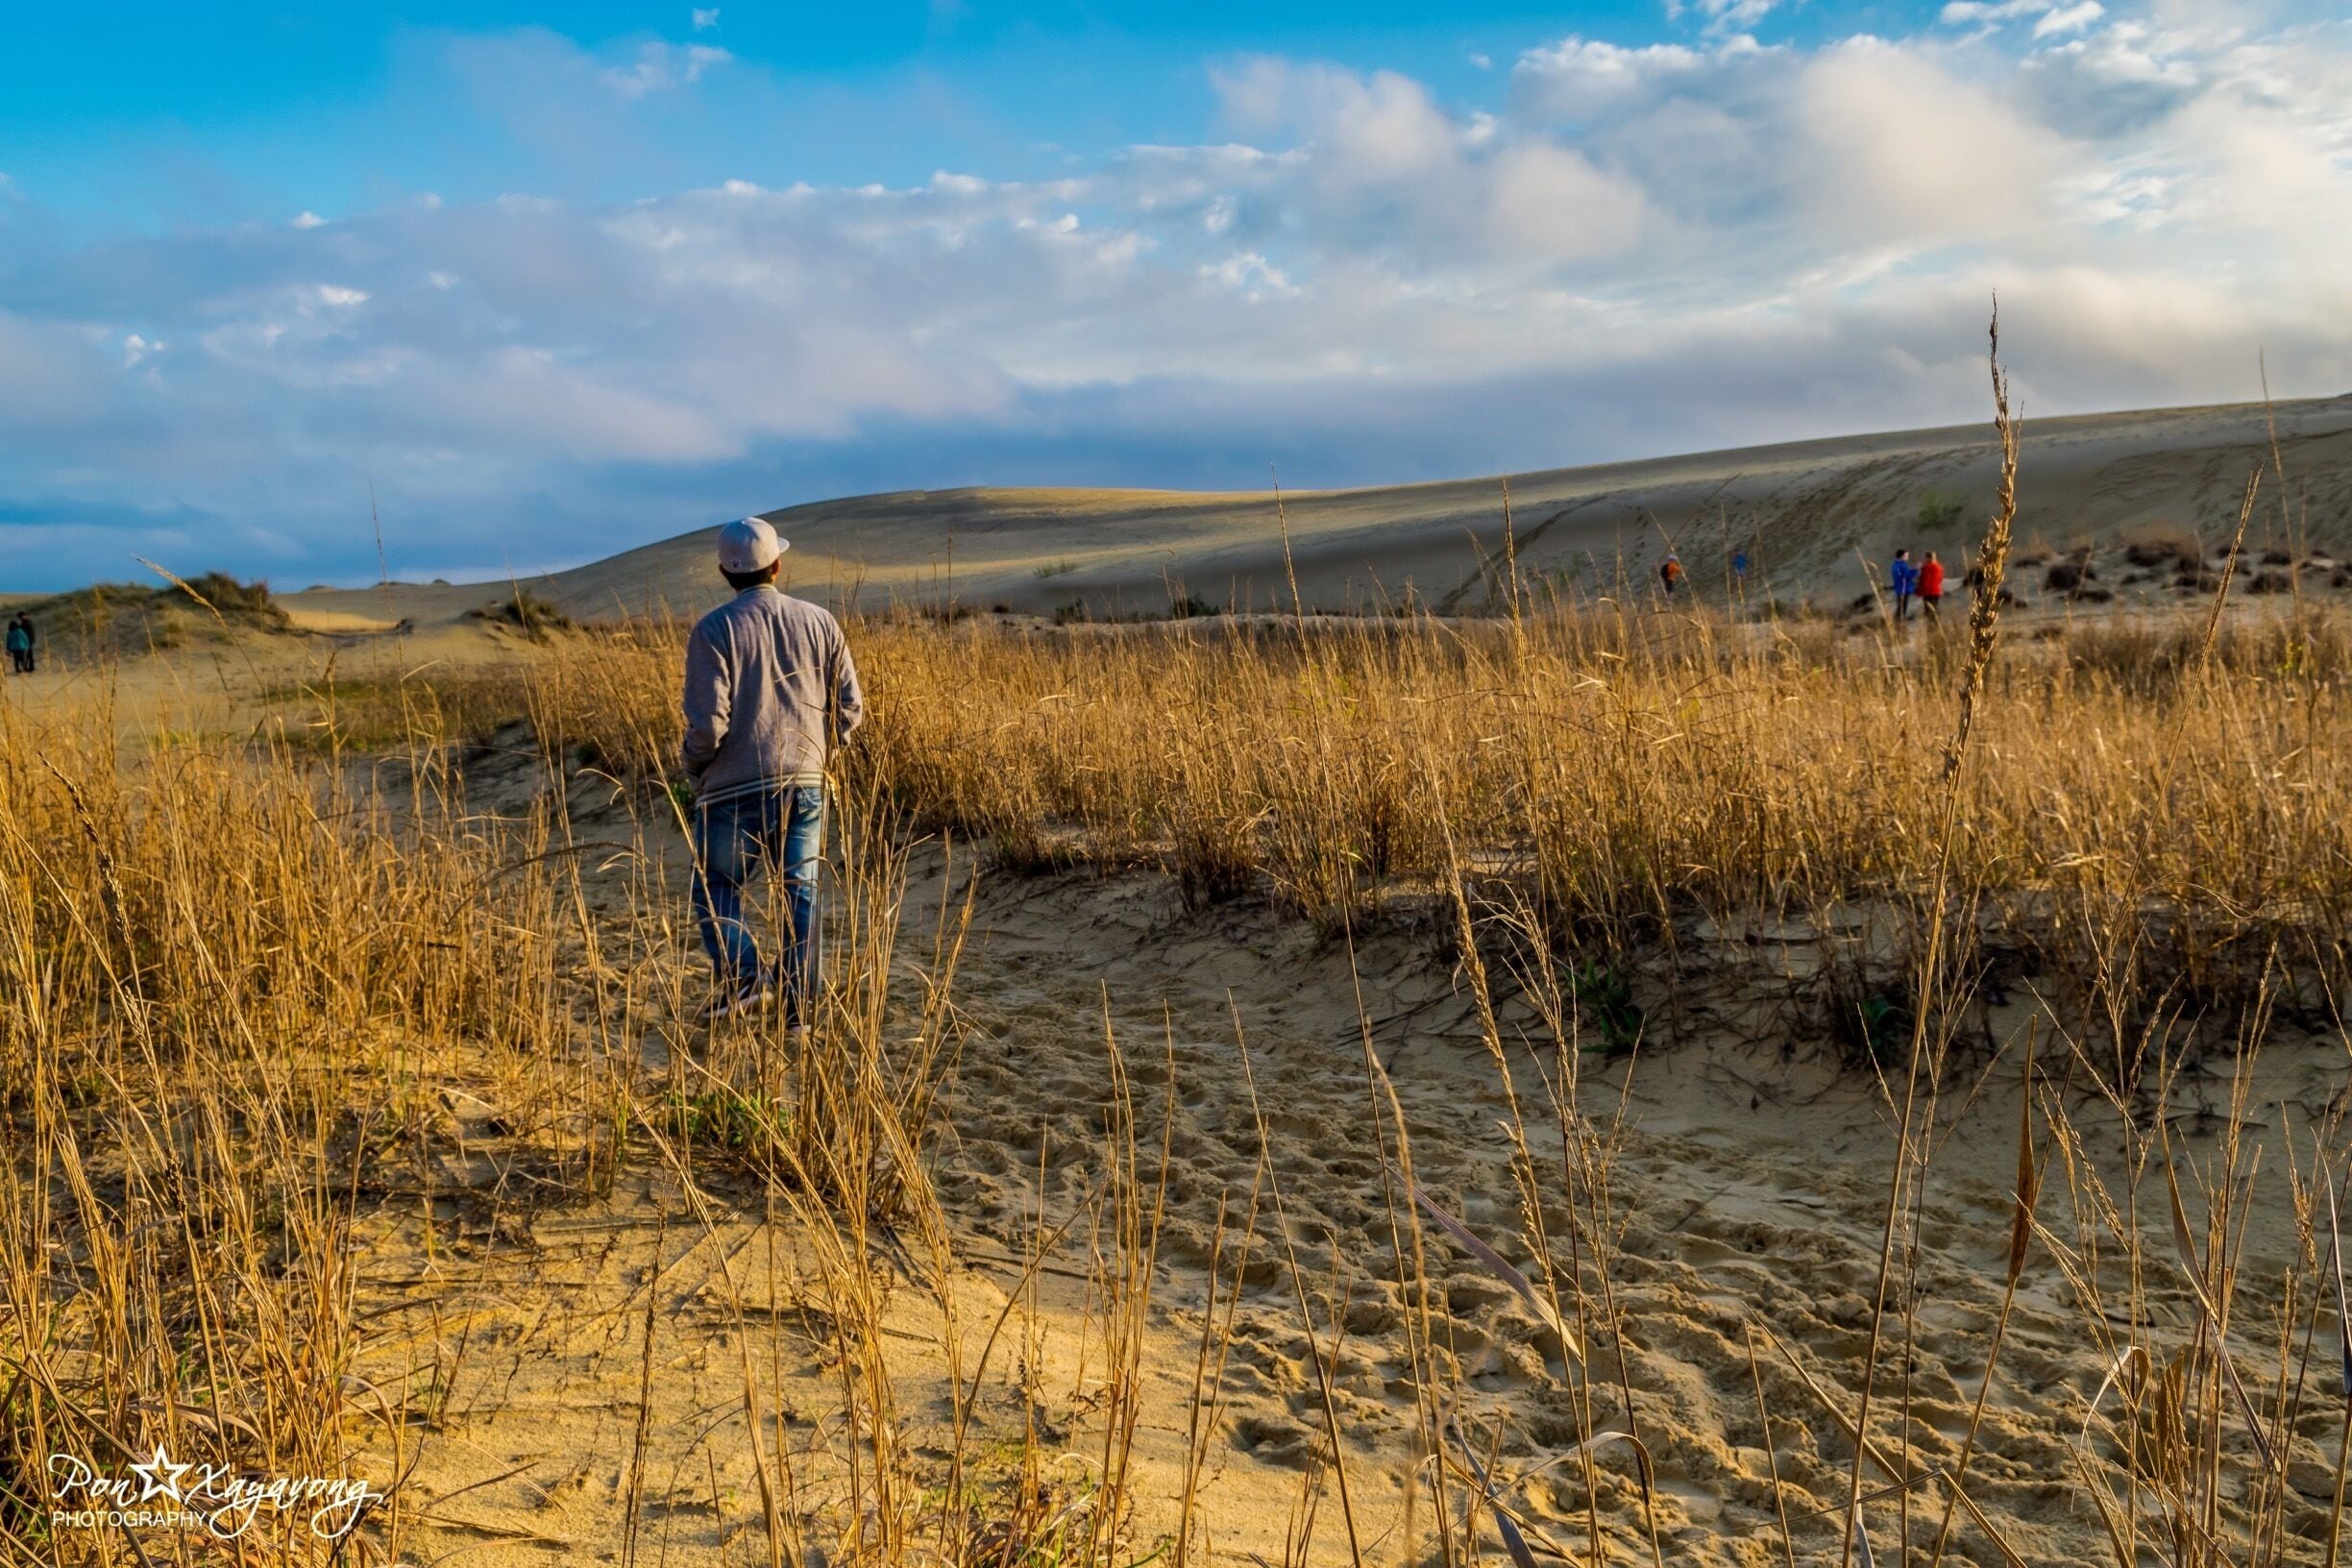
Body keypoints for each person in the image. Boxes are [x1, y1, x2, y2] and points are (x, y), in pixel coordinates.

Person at [680, 517, 864, 1025]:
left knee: (717, 887)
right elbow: (849, 707)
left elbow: (707, 725)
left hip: (730, 788)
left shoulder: (713, 630)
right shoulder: (821, 621)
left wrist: (694, 768)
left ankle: (744, 978)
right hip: (805, 782)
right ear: (777, 565)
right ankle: (799, 1011)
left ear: (724, 571)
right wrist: (823, 756)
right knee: (799, 892)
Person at [1890, 549, 1918, 621]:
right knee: (1903, 605)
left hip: (1901, 587)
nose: (1907, 556)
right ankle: (1899, 620)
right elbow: (1906, 576)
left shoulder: (1896, 565)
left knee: (1902, 605)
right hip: (1903, 588)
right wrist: (1916, 570)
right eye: (1906, 555)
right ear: (1902, 556)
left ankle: (1898, 619)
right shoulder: (1901, 565)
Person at [1918, 551, 1946, 618]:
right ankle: (1937, 623)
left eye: (1924, 558)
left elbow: (1923, 581)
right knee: (1935, 607)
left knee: (1928, 609)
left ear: (1928, 558)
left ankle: (1931, 625)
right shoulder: (1939, 567)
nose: (1923, 559)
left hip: (1928, 591)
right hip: (1937, 590)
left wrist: (1918, 591)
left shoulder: (1925, 568)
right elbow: (1940, 579)